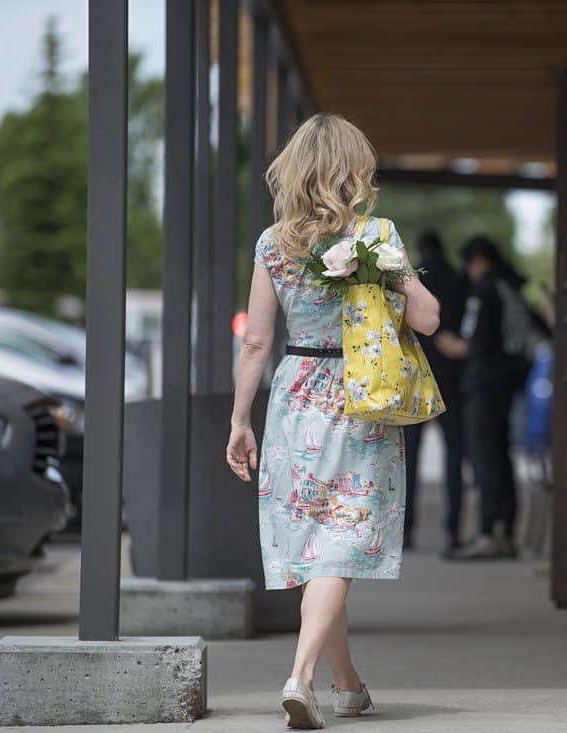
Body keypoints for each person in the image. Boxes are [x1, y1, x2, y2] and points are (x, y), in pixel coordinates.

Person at [225, 113, 439, 730]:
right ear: (355, 170)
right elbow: (427, 320)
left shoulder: (274, 242)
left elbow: (256, 344)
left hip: (294, 396)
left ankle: (349, 685)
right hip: (358, 396)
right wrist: (388, 270)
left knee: (320, 546)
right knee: (340, 544)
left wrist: (241, 420)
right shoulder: (375, 233)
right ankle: (301, 677)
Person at [435, 236, 527, 560]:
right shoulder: (510, 286)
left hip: (483, 385)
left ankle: (488, 531)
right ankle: (507, 528)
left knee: (485, 458)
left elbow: (474, 341)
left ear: (479, 261)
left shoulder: (485, 290)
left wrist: (453, 346)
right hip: (507, 385)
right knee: (501, 457)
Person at [402, 231, 467, 553]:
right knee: (454, 455)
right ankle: (453, 531)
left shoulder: (412, 279)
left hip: (415, 378)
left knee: (409, 458)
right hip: (451, 378)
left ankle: (406, 531)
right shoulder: (457, 279)